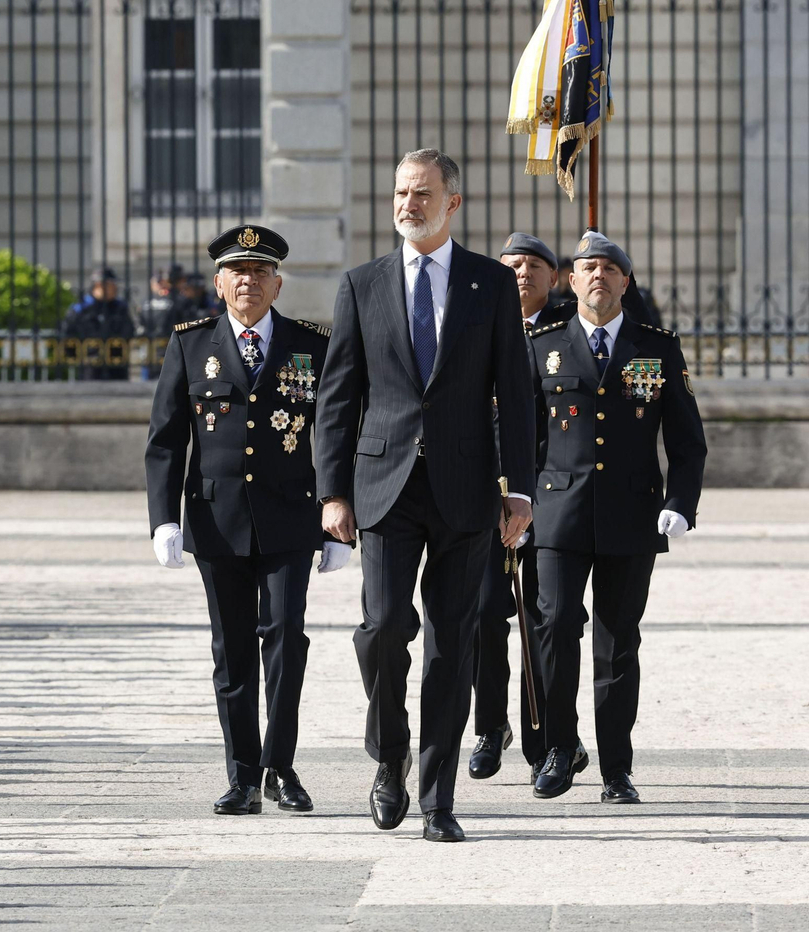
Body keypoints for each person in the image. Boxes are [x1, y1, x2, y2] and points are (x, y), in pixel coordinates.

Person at [312, 149, 535, 844]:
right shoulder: (362, 284)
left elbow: (516, 394)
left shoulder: (490, 284)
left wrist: (520, 490)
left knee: (450, 646)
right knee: (382, 630)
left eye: (423, 192)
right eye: (402, 192)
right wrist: (333, 492)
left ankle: (438, 799)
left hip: (466, 491)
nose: (409, 202)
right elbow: (337, 396)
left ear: (452, 203)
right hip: (382, 488)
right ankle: (390, 753)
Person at [145, 224, 346, 817]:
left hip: (289, 518)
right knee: (232, 650)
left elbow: (335, 433)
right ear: (218, 283)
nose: (249, 282)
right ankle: (242, 775)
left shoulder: (310, 344)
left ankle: (280, 766)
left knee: (286, 639)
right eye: (238, 272)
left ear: (277, 283)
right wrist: (163, 519)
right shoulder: (190, 343)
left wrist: (339, 512)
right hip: (216, 517)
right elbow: (165, 441)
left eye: (260, 273)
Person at [527, 231, 706, 804]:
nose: (598, 276)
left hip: (632, 515)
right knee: (553, 627)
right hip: (557, 513)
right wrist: (515, 501)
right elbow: (518, 434)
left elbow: (687, 440)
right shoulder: (543, 345)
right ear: (570, 282)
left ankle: (615, 769)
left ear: (625, 282)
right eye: (587, 269)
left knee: (617, 642)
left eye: (609, 268)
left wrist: (679, 503)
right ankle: (557, 748)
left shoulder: (657, 347)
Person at [467, 231, 564, 782]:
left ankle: (543, 738)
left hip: (548, 498)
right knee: (484, 614)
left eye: (533, 264)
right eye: (511, 264)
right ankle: (489, 726)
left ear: (554, 278)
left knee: (542, 620)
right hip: (485, 499)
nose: (521, 272)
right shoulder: (478, 325)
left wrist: (531, 495)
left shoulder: (566, 333)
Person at [60, 266, 134, 381]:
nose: (115, 288)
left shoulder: (120, 308)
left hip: (117, 365)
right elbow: (68, 333)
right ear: (99, 285)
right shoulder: (81, 308)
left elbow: (129, 331)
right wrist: (76, 357)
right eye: (112, 285)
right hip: (90, 366)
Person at [135, 268, 196, 378]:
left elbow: (140, 325)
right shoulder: (180, 299)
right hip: (169, 348)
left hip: (152, 349)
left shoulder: (145, 301)